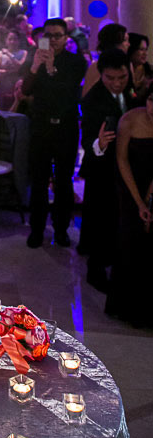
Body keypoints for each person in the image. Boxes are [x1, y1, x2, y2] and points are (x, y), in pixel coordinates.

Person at [21, 17, 87, 248]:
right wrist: (35, 67)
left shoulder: (76, 62)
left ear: (66, 38)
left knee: (63, 181)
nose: (52, 40)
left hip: (65, 128)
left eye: (57, 35)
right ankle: (36, 230)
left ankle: (61, 230)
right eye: (47, 35)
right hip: (40, 127)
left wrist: (49, 69)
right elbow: (25, 90)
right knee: (38, 180)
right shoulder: (35, 58)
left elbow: (68, 92)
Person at [78, 49, 132, 291]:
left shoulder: (132, 96)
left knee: (115, 220)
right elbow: (86, 139)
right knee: (100, 221)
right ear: (101, 75)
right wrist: (99, 143)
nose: (117, 83)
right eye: (111, 78)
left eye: (122, 77)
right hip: (100, 167)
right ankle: (96, 273)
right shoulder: (92, 100)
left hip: (124, 169)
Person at [105, 83, 153, 328]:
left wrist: (149, 198)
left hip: (150, 187)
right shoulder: (130, 120)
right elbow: (121, 160)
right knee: (129, 241)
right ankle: (124, 308)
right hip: (128, 183)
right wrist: (138, 201)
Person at [82, 23, 129, 96]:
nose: (128, 44)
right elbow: (86, 97)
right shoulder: (96, 67)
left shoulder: (127, 65)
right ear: (114, 43)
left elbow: (131, 91)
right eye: (125, 40)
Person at [127, 32, 153, 103]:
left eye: (146, 49)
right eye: (141, 49)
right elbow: (131, 94)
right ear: (131, 50)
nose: (145, 53)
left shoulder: (149, 71)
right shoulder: (124, 71)